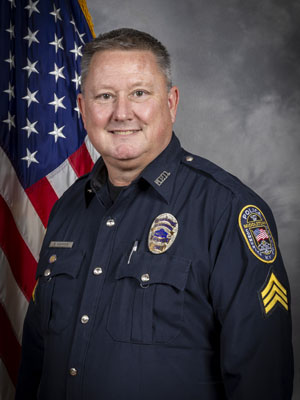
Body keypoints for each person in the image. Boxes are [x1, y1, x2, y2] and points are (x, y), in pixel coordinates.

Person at [16, 28, 293, 400]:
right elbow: (36, 361)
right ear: (82, 108)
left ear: (171, 103)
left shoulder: (228, 211)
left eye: (139, 93)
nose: (121, 112)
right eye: (105, 96)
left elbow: (261, 380)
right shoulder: (67, 208)